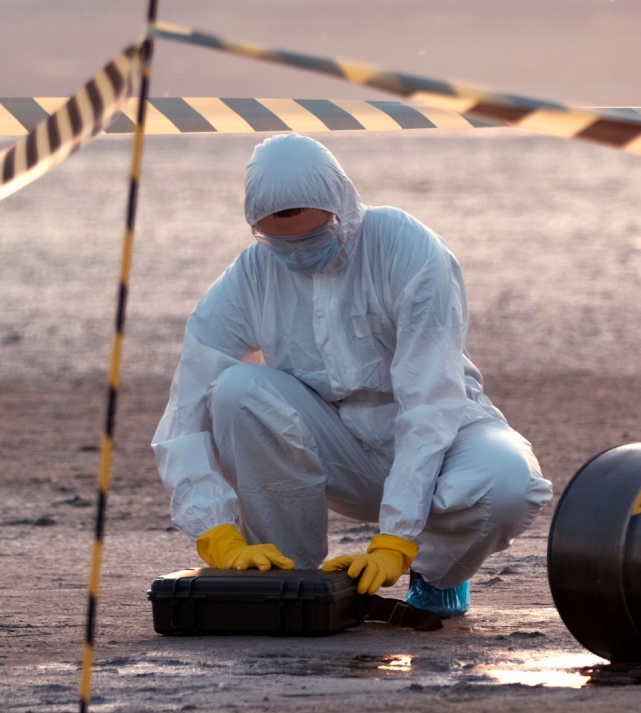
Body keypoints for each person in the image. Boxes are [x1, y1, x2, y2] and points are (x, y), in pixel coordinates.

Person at [151, 133, 552, 618]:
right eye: (278, 240)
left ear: (342, 208)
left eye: (312, 236)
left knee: (508, 484)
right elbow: (185, 407)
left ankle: (437, 574)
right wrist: (213, 530)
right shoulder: (251, 276)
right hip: (337, 447)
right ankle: (283, 578)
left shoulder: (405, 247)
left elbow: (429, 399)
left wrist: (396, 540)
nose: (297, 252)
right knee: (235, 391)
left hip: (445, 438)